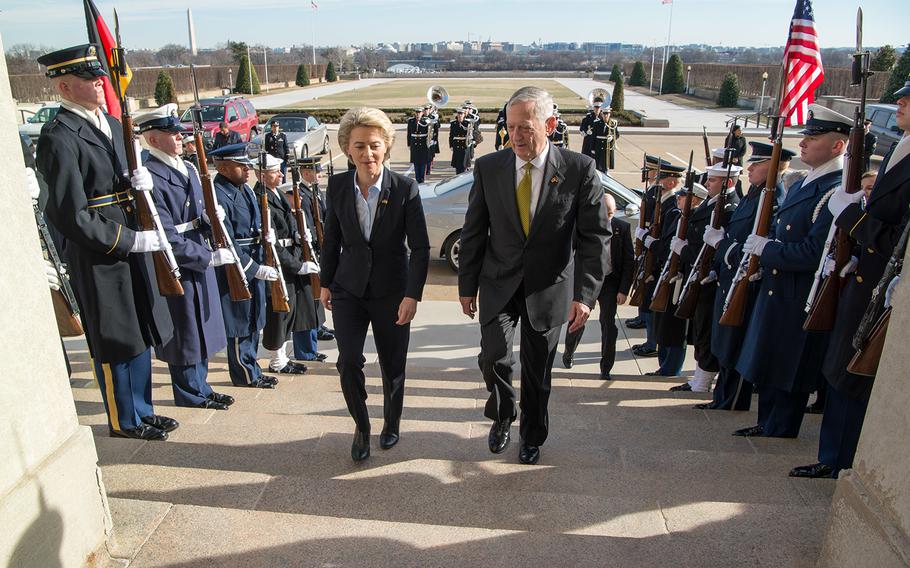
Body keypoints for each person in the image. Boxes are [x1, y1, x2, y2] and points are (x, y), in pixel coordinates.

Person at [458, 86, 610, 465]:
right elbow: (474, 230)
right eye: (511, 127)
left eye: (526, 127)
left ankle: (532, 435)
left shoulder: (579, 169)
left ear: (550, 124)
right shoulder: (489, 167)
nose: (517, 136)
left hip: (549, 286)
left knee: (538, 370)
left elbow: (596, 238)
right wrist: (466, 286)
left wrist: (585, 297)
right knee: (493, 356)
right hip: (498, 281)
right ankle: (503, 413)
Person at [36, 44, 177, 440]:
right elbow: (69, 214)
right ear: (64, 87)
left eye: (97, 76)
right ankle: (123, 420)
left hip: (133, 240)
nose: (99, 82)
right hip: (102, 250)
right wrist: (127, 240)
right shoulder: (59, 137)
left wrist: (141, 184)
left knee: (139, 328)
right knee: (114, 336)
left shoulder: (113, 125)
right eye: (86, 79)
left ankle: (144, 410)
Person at [791, 76, 910, 478]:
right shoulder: (901, 148)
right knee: (842, 371)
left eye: (908, 99)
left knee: (855, 376)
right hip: (866, 279)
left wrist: (850, 215)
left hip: (883, 289)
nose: (901, 102)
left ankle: (840, 461)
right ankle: (832, 457)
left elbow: (897, 235)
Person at [734, 104, 851, 438]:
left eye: (813, 137)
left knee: (789, 365)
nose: (803, 143)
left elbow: (814, 253)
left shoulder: (834, 191)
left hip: (799, 294)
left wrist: (767, 250)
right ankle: (767, 421)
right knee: (770, 359)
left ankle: (781, 426)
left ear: (837, 146)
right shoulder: (803, 183)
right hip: (778, 289)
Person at [320, 107, 430, 462]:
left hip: (392, 292)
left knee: (392, 363)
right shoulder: (337, 186)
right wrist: (325, 283)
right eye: (359, 147)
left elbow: (422, 247)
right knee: (348, 361)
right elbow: (331, 240)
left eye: (374, 146)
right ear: (347, 150)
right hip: (348, 289)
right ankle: (362, 426)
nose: (367, 154)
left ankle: (391, 423)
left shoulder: (404, 188)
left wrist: (412, 295)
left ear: (386, 147)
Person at [136, 104, 235, 411]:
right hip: (177, 259)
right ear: (152, 139)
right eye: (171, 133)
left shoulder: (187, 167)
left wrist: (209, 219)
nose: (179, 137)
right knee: (185, 330)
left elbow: (196, 210)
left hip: (198, 247)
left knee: (201, 325)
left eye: (178, 132)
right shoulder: (150, 174)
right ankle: (189, 392)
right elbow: (164, 231)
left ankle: (201, 385)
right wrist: (205, 257)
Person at [701, 141, 795, 411]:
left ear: (776, 167)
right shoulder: (753, 195)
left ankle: (733, 399)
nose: (750, 168)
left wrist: (720, 246)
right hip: (729, 279)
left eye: (758, 164)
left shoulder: (771, 199)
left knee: (735, 344)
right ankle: (722, 397)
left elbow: (750, 248)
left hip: (744, 282)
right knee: (724, 343)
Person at [209, 143, 280, 389]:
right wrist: (253, 268)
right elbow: (226, 239)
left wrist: (267, 233)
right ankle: (245, 374)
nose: (248, 170)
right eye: (242, 166)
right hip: (237, 265)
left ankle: (254, 368)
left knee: (254, 317)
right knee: (240, 320)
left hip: (254, 255)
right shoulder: (218, 193)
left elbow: (257, 219)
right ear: (225, 167)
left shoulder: (246, 190)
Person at [668, 164, 740, 393]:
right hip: (696, 274)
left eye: (712, 180)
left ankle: (703, 379)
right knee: (699, 329)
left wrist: (684, 250)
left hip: (710, 279)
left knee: (706, 331)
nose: (707, 184)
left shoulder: (728, 208)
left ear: (727, 183)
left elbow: (707, 250)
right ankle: (699, 376)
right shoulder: (712, 204)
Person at [256, 154, 323, 374]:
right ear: (262, 175)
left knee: (290, 310)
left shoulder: (276, 194)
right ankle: (277, 360)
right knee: (279, 311)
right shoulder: (260, 196)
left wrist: (297, 233)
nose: (281, 175)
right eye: (275, 172)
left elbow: (289, 220)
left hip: (289, 256)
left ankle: (283, 357)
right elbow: (270, 241)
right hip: (278, 261)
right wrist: (295, 265)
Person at [561, 193, 633, 380]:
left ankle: (606, 368)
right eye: (603, 212)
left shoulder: (622, 228)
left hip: (609, 282)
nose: (606, 217)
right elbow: (570, 252)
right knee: (577, 320)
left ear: (614, 212)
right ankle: (569, 352)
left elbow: (628, 261)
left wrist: (624, 290)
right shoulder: (584, 226)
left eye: (610, 213)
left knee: (608, 325)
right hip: (586, 280)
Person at [632, 160, 685, 359]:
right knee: (650, 302)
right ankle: (651, 341)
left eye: (662, 179)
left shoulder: (673, 205)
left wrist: (647, 240)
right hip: (652, 261)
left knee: (656, 305)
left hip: (660, 263)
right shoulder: (660, 198)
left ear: (671, 183)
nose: (658, 181)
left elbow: (664, 240)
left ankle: (653, 344)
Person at [290, 157, 330, 362]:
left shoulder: (314, 191)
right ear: (306, 173)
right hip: (308, 250)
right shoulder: (300, 195)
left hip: (318, 247)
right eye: (316, 172)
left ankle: (317, 327)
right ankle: (306, 349)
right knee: (308, 298)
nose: (320, 175)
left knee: (317, 292)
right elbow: (305, 224)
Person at [406, 107, 429, 183]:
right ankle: (417, 179)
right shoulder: (411, 121)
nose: (418, 114)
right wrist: (409, 144)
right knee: (416, 163)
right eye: (417, 112)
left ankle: (421, 180)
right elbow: (409, 133)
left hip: (423, 145)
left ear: (422, 113)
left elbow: (430, 133)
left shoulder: (425, 121)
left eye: (419, 112)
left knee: (422, 163)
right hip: (414, 145)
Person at [449, 108, 469, 174]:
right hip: (456, 147)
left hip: (464, 146)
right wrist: (451, 145)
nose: (460, 115)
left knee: (463, 166)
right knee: (457, 167)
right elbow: (451, 135)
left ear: (464, 115)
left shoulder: (467, 124)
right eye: (459, 114)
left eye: (461, 114)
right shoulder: (453, 123)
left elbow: (471, 135)